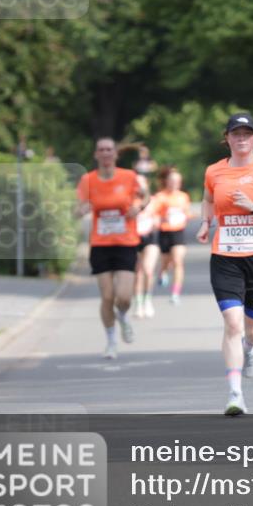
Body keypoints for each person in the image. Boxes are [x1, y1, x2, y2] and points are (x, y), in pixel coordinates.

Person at [197, 113, 253, 416]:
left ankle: (249, 348)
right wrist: (205, 222)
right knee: (232, 323)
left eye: (247, 134)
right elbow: (208, 199)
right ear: (228, 138)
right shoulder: (214, 172)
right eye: (236, 134)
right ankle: (235, 394)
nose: (241, 139)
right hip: (225, 257)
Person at [76, 137, 150, 359]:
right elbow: (78, 206)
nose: (106, 153)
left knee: (124, 297)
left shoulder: (128, 177)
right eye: (101, 150)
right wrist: (81, 210)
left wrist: (138, 207)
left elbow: (145, 197)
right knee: (107, 297)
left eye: (109, 149)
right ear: (96, 155)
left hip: (126, 243)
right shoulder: (87, 180)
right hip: (100, 245)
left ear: (115, 154)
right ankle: (111, 341)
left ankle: (124, 316)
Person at [154, 166, 193, 305]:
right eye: (172, 180)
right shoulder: (160, 197)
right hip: (165, 232)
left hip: (178, 231)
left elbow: (187, 213)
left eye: (177, 181)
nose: (175, 183)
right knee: (166, 261)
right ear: (166, 181)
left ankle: (175, 293)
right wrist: (161, 218)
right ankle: (162, 272)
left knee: (177, 261)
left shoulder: (183, 196)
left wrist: (187, 216)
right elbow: (154, 214)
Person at [132, 178, 160, 318]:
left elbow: (159, 215)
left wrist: (157, 221)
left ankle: (147, 300)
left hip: (151, 237)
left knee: (148, 270)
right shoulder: (130, 200)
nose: (140, 186)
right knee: (138, 272)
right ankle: (138, 303)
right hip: (134, 238)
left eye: (142, 183)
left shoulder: (154, 200)